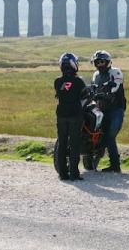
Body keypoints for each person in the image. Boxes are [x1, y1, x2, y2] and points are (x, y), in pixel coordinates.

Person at [91, 50, 126, 173]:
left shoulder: (116, 72)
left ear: (108, 62)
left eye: (102, 61)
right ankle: (94, 159)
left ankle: (115, 166)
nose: (100, 64)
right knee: (98, 134)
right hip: (102, 110)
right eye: (97, 62)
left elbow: (115, 87)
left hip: (116, 109)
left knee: (110, 135)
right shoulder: (96, 75)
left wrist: (106, 91)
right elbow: (93, 88)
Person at [54, 53, 86, 181]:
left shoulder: (57, 81)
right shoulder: (78, 81)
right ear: (74, 65)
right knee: (74, 144)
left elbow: (61, 92)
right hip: (75, 115)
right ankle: (74, 174)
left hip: (61, 115)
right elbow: (84, 94)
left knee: (62, 144)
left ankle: (63, 174)